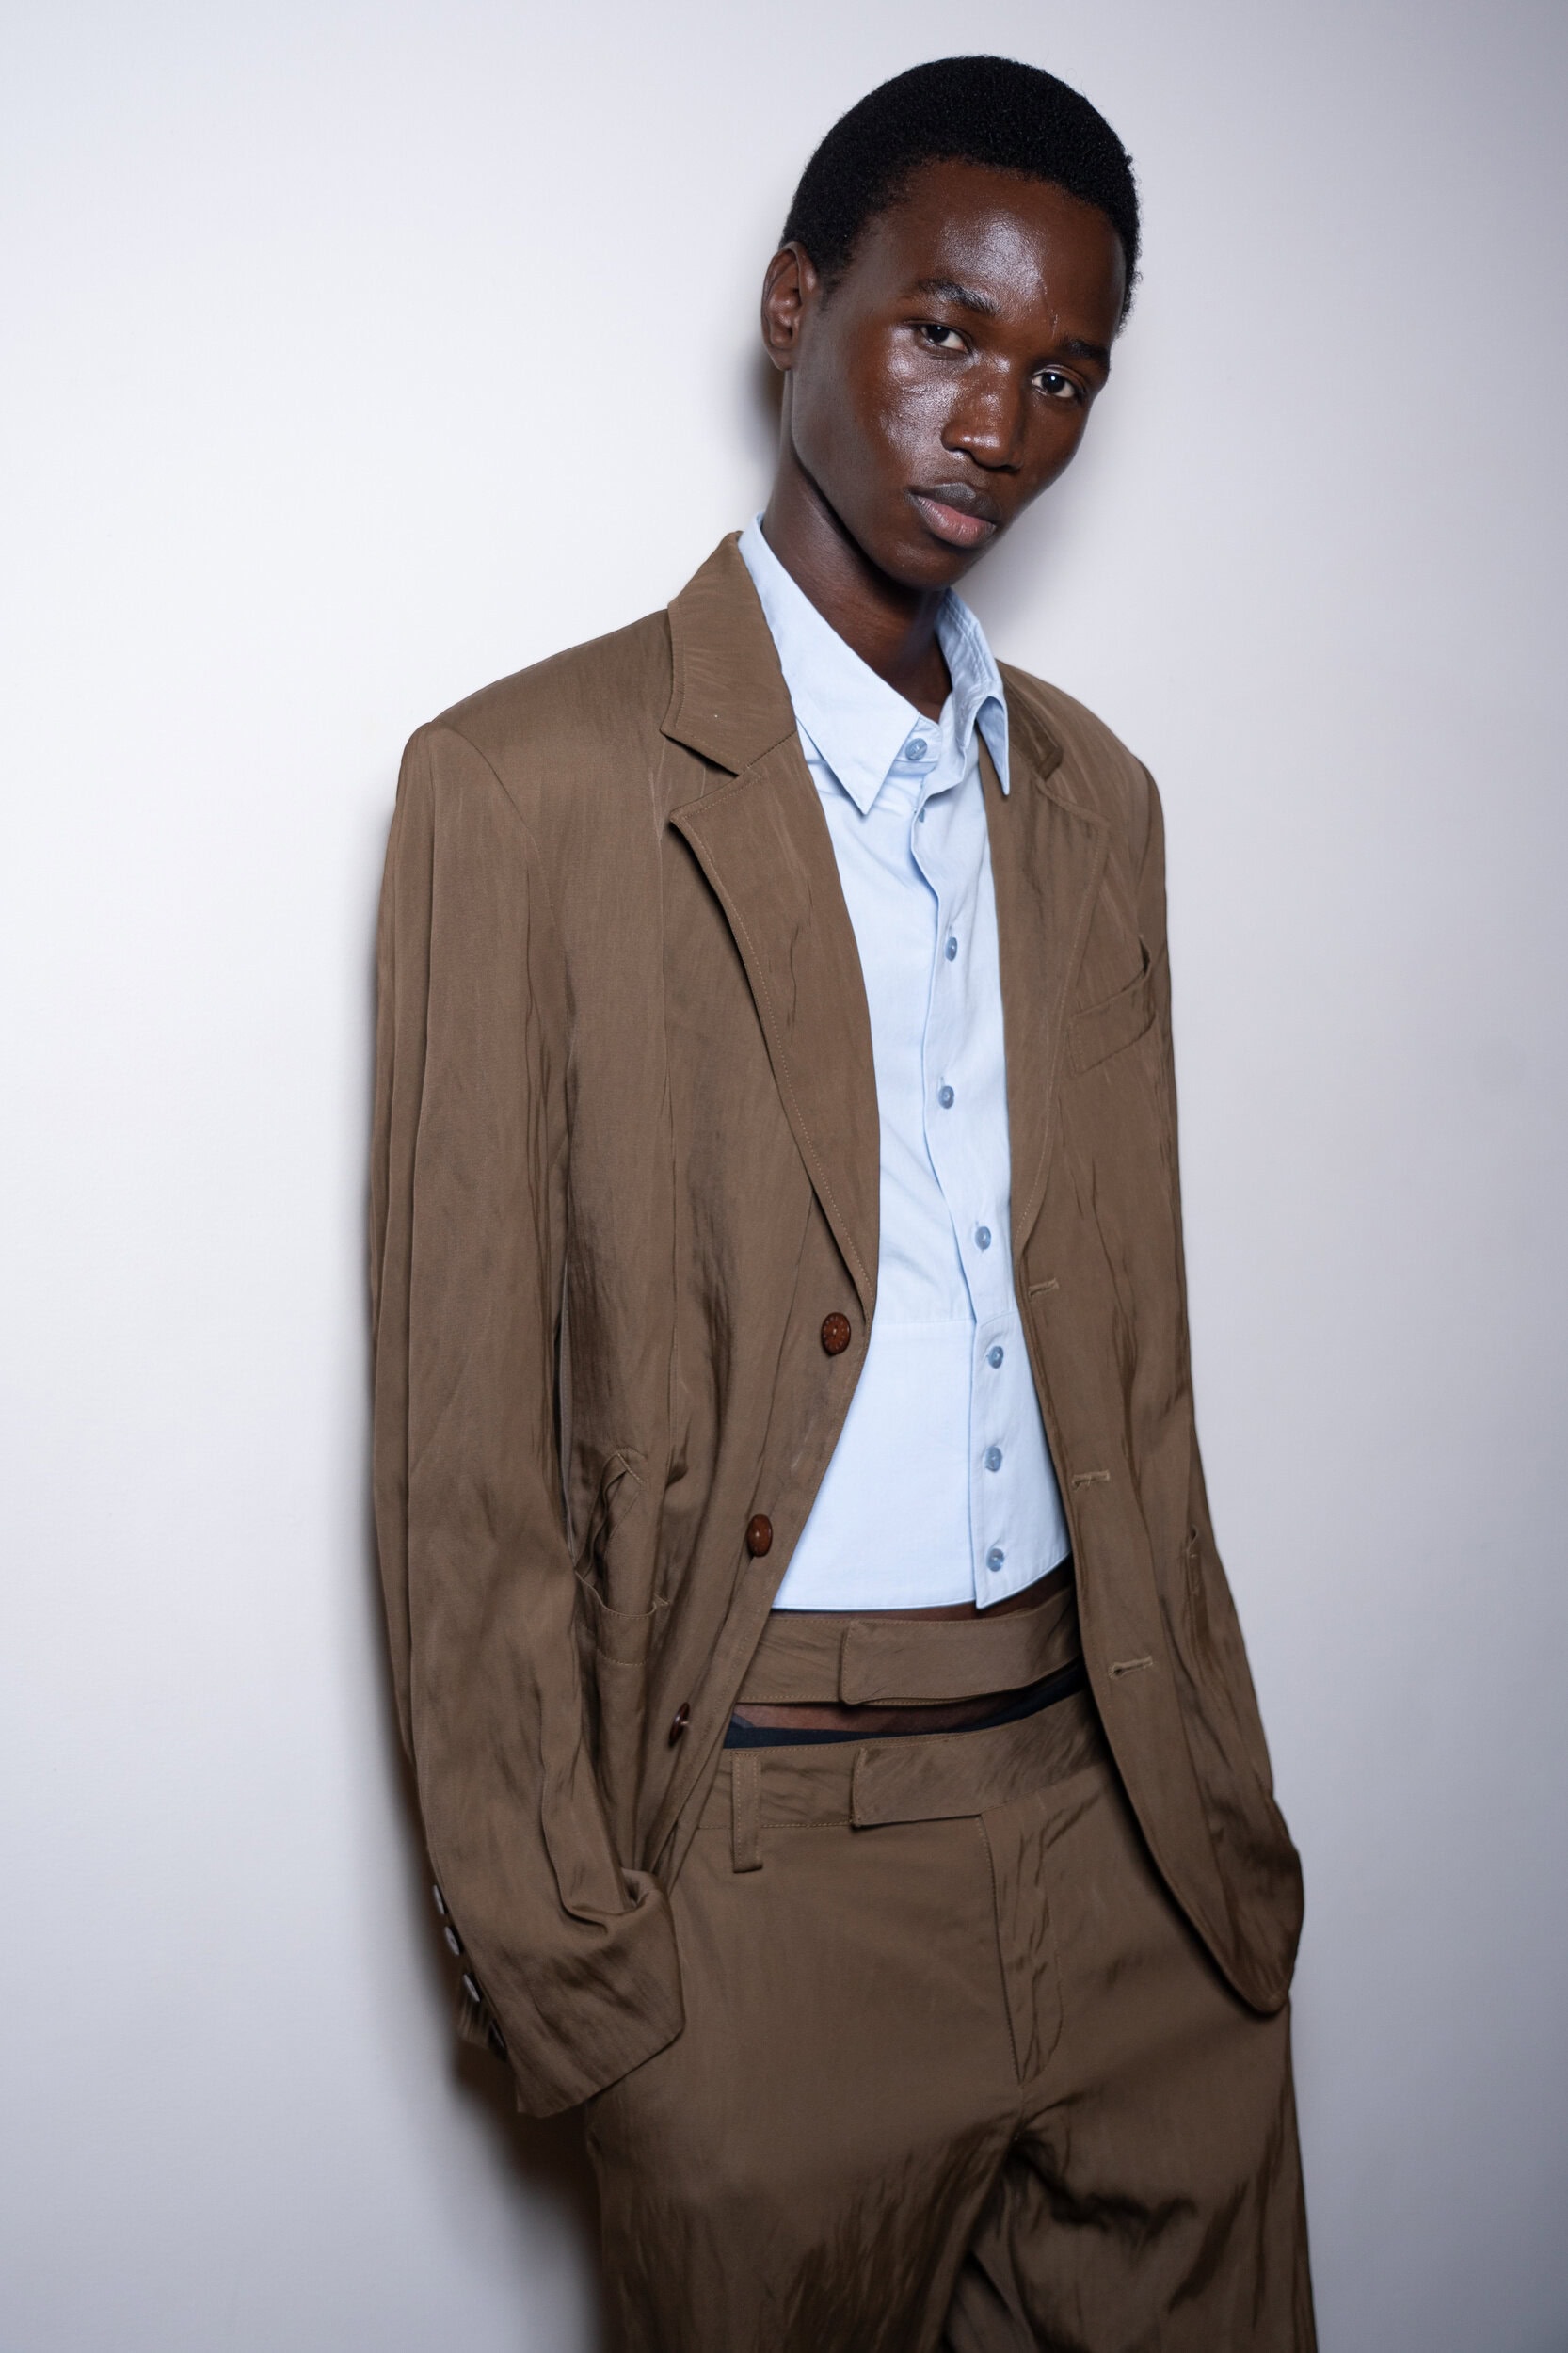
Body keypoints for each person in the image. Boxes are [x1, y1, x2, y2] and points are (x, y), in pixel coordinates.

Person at [371, 53, 1313, 2351]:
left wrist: (1220, 1836)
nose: (998, 423)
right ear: (795, 307)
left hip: (1127, 1846)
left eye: (1062, 374)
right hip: (761, 1868)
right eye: (944, 331)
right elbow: (460, 1455)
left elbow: (1135, 1360)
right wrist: (586, 1982)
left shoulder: (1094, 801)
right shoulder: (526, 786)